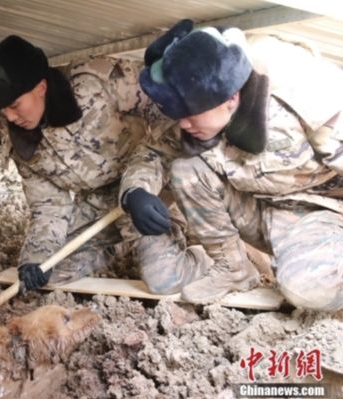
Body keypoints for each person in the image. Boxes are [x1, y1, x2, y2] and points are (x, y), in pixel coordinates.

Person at [0, 35, 212, 294]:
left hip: (146, 193)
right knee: (50, 273)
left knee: (165, 280)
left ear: (40, 87)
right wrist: (35, 258)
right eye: (2, 110)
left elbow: (168, 116)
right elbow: (49, 206)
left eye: (15, 105)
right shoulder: (23, 144)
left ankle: (203, 257)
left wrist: (147, 185)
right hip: (100, 205)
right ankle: (121, 242)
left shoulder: (97, 80)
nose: (11, 118)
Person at [139, 20, 343, 310]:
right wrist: (134, 192)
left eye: (191, 114)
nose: (183, 123)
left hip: (322, 215)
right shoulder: (199, 121)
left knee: (308, 291)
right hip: (263, 213)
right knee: (187, 169)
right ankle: (233, 270)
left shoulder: (302, 100)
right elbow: (151, 153)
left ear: (231, 98)